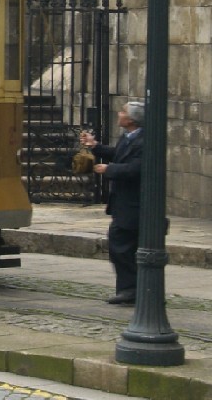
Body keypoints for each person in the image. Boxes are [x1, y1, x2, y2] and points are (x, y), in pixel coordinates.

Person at [79, 101, 145, 305]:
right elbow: (118, 154)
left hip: (134, 205)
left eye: (123, 111)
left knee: (122, 246)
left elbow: (136, 168)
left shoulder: (144, 141)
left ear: (131, 119)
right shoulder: (129, 137)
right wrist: (95, 146)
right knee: (120, 246)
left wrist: (109, 170)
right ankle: (129, 289)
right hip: (123, 204)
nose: (119, 114)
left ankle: (131, 290)